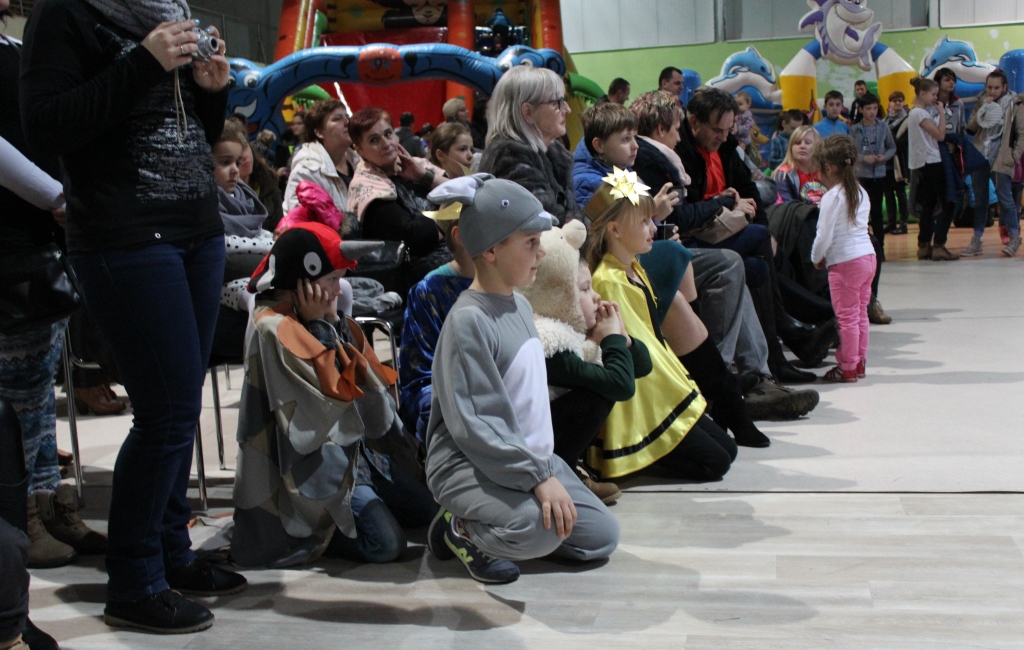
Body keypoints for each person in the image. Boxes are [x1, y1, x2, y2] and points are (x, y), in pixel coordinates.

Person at [21, 1, 247, 634]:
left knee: (181, 406)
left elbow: (188, 135)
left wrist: (211, 94)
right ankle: (134, 579)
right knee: (165, 413)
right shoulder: (65, 13)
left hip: (195, 228)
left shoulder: (170, 9)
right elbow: (45, 128)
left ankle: (171, 551)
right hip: (124, 234)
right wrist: (143, 63)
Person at [424, 174, 619, 585]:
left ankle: (510, 521)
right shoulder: (469, 321)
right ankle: (460, 527)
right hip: (469, 462)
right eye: (530, 242)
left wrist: (542, 472)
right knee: (541, 529)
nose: (541, 251)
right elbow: (477, 426)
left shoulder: (518, 304)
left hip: (526, 459)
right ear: (491, 249)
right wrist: (538, 480)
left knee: (601, 537)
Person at [233, 222, 435, 568]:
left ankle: (362, 507)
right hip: (317, 466)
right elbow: (324, 400)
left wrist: (329, 322)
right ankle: (324, 531)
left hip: (358, 455)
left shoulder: (319, 313)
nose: (338, 289)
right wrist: (319, 325)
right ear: (302, 281)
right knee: (386, 545)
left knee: (425, 508)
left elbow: (364, 383)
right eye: (331, 280)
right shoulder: (272, 326)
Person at [572, 102, 769, 447]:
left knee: (702, 270)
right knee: (687, 270)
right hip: (609, 265)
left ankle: (723, 395)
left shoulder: (622, 172)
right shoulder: (590, 179)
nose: (635, 146)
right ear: (599, 145)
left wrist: (655, 220)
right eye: (625, 139)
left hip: (630, 256)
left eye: (635, 137)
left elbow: (641, 222)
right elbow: (613, 232)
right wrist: (658, 216)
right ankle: (721, 395)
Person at [2, 20, 106, 571]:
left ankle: (47, 502)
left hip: (40, 236)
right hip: (11, 238)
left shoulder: (17, 47)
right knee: (17, 391)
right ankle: (19, 514)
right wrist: (55, 197)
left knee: (39, 387)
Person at [586, 167, 741, 480]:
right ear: (615, 230)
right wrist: (673, 388)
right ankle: (642, 459)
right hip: (645, 395)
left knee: (729, 450)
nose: (653, 228)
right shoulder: (609, 281)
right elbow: (640, 348)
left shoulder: (631, 267)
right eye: (644, 222)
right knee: (715, 464)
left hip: (659, 385)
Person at [678, 88, 836, 377]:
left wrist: (762, 226)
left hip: (722, 230)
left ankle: (776, 357)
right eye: (717, 130)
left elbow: (749, 188)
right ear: (694, 122)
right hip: (695, 238)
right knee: (760, 241)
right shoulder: (679, 152)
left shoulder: (725, 147)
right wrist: (725, 203)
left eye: (727, 130)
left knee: (759, 264)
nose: (723, 136)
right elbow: (683, 214)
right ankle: (797, 331)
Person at [520, 220, 650, 504]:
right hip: (526, 446)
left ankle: (569, 468)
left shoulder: (570, 329)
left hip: (545, 432)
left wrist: (624, 339)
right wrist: (610, 341)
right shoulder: (548, 342)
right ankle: (562, 473)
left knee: (601, 386)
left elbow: (642, 367)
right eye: (585, 289)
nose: (596, 296)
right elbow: (621, 385)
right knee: (596, 396)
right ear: (557, 294)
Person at [347, 106, 451, 289]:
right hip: (417, 285)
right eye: (374, 140)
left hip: (452, 262)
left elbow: (464, 191)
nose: (386, 143)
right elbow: (420, 237)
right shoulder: (367, 188)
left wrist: (423, 176)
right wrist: (454, 206)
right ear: (359, 150)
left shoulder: (416, 164)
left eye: (388, 134)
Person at [478, 65, 583, 225]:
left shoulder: (551, 152)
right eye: (557, 103)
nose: (567, 110)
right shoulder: (510, 158)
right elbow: (548, 228)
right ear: (528, 112)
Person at [810, 136, 876, 383]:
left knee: (846, 318)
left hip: (846, 263)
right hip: (868, 257)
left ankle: (846, 367)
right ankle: (859, 362)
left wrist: (817, 257)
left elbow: (824, 234)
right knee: (860, 314)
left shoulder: (832, 197)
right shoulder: (861, 192)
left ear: (828, 168)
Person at [210, 119, 275, 360]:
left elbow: (259, 233)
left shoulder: (243, 197)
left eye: (237, 162)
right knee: (260, 301)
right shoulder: (206, 202)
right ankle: (258, 372)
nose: (235, 170)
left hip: (256, 271)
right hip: (226, 286)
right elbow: (223, 247)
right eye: (225, 162)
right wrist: (272, 249)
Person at [963, 69, 1022, 257]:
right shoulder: (981, 99)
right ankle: (977, 240)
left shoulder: (1015, 103)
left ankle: (1014, 237)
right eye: (989, 87)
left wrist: (1013, 156)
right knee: (980, 200)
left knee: (1005, 199)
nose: (992, 91)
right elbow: (971, 128)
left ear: (1004, 87)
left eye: (996, 88)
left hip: (1001, 156)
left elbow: (1021, 133)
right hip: (981, 155)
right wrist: (983, 108)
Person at [283, 99, 359, 231]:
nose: (347, 122)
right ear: (319, 132)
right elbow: (303, 228)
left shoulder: (359, 162)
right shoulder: (306, 171)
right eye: (337, 119)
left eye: (347, 117)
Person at [905, 77, 959, 261]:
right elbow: (940, 135)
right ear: (922, 93)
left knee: (928, 204)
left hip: (923, 163)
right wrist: (941, 112)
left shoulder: (916, 113)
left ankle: (924, 244)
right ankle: (939, 244)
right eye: (934, 94)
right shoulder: (920, 114)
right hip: (931, 161)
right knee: (948, 203)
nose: (936, 98)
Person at [850, 93, 896, 259]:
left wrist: (884, 157)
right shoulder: (855, 129)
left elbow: (892, 147)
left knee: (877, 213)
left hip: (879, 175)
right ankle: (863, 248)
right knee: (861, 213)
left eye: (875, 108)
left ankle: (879, 249)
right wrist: (863, 158)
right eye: (868, 108)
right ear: (861, 110)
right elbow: (851, 151)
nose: (872, 112)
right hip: (862, 176)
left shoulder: (883, 127)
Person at [884, 91, 910, 235]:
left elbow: (905, 142)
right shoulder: (885, 120)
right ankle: (891, 222)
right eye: (894, 101)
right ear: (889, 103)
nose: (897, 103)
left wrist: (890, 146)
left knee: (900, 193)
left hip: (900, 161)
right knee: (888, 193)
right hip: (887, 162)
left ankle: (904, 223)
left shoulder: (907, 120)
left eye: (900, 100)